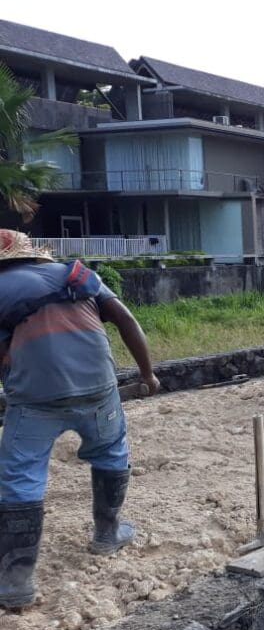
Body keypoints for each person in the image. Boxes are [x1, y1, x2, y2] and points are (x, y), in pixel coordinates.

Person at [0, 229, 160, 610]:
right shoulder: (75, 273)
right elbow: (125, 320)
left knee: (21, 477)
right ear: (34, 255)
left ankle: (15, 580)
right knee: (110, 452)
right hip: (99, 390)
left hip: (35, 400)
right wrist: (147, 373)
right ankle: (108, 534)